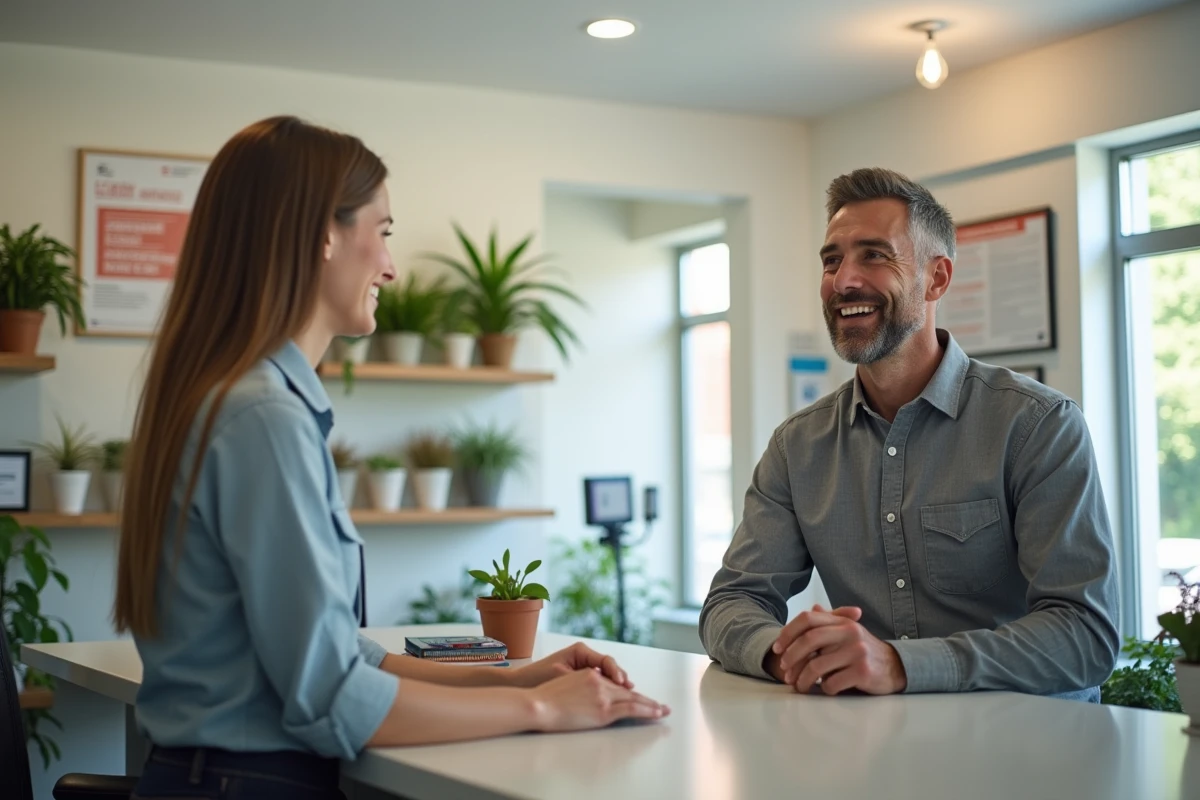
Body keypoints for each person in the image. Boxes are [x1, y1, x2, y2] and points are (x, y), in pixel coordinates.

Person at [113, 116, 668, 799]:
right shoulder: (263, 418)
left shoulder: (233, 397)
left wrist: (518, 675)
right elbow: (330, 696)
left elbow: (341, 654)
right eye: (383, 232)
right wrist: (545, 710)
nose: (391, 265)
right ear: (322, 232)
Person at [699, 167, 1119, 702]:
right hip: (874, 750)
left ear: (936, 278)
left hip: (1028, 757)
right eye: (832, 260)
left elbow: (1085, 635)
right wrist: (788, 652)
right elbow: (732, 602)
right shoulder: (798, 447)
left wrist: (901, 664)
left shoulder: (1038, 426)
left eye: (874, 254)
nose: (844, 280)